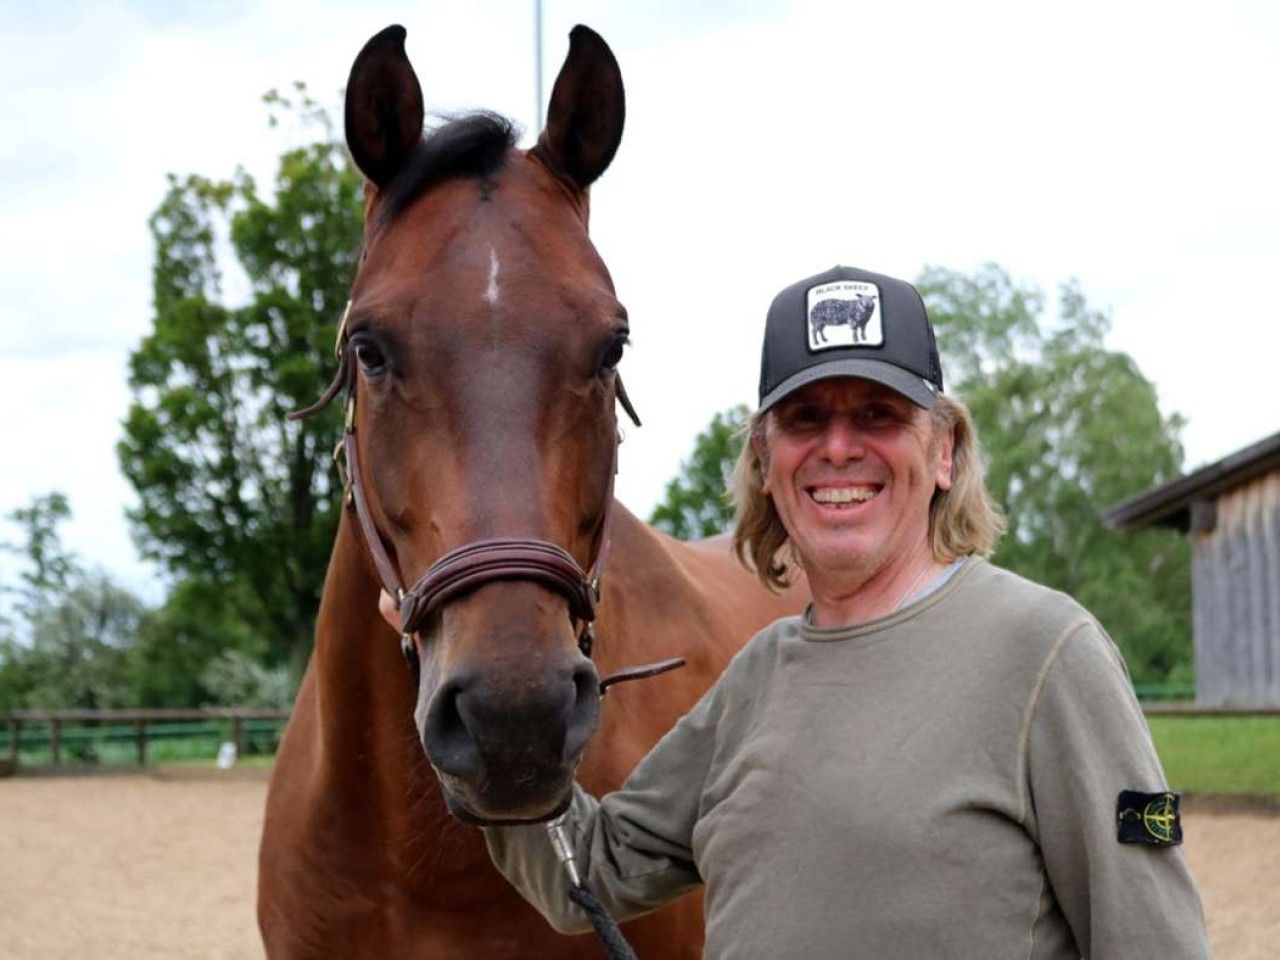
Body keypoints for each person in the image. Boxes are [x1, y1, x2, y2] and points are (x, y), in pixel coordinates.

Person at [394, 266, 1212, 958]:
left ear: (945, 452)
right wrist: (473, 711)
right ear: (765, 458)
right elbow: (594, 874)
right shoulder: (757, 675)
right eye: (805, 419)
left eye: (879, 416)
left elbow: (1151, 936)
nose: (838, 448)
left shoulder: (1046, 652)